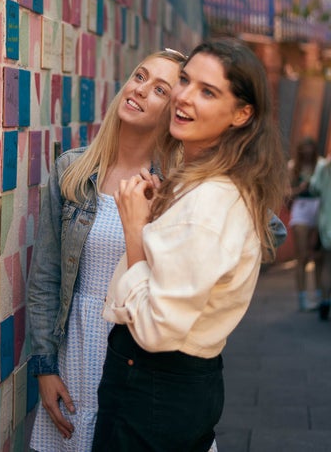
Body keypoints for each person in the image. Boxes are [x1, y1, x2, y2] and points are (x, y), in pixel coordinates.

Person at [91, 37, 289, 452]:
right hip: (168, 387)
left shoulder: (210, 202)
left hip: (155, 385)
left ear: (241, 114)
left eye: (207, 92)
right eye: (185, 80)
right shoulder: (200, 183)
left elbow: (155, 328)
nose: (183, 97)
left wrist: (135, 229)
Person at [27, 48, 188, 451]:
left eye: (159, 90)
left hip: (140, 353)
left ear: (174, 113)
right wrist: (45, 369)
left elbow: (266, 229)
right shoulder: (73, 171)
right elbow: (45, 277)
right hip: (77, 348)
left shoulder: (177, 188)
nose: (140, 90)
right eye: (140, 76)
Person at [287, 137, 323, 311]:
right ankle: (302, 298)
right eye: (304, 148)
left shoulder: (322, 165)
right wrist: (300, 188)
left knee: (317, 255)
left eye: (310, 147)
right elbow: (286, 194)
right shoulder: (294, 166)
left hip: (319, 207)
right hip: (301, 207)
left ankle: (319, 295)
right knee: (301, 256)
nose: (307, 151)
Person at [308, 153, 331, 320]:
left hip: (327, 223)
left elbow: (314, 188)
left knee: (327, 266)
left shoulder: (324, 166)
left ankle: (325, 301)